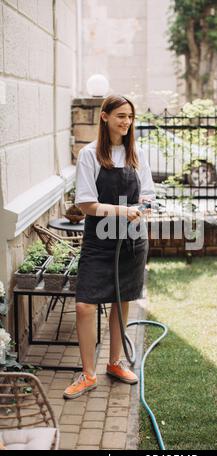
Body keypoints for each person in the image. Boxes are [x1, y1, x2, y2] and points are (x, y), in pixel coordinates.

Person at [63, 95, 155, 399]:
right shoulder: (89, 155)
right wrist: (121, 211)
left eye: (130, 117)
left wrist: (142, 209)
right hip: (99, 243)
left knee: (122, 300)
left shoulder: (137, 153)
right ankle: (88, 374)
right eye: (120, 116)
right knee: (84, 305)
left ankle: (115, 363)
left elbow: (149, 196)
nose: (126, 122)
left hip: (131, 241)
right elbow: (86, 203)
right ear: (104, 117)